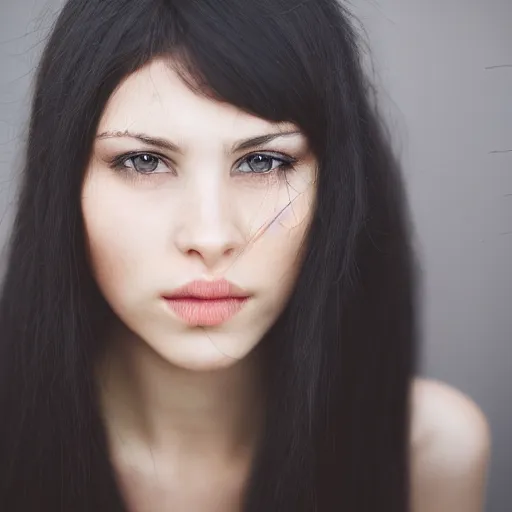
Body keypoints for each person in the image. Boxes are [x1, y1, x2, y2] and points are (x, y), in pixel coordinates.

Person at [0, 0, 490, 510]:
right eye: (144, 161)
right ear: (63, 181)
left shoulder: (427, 453)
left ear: (337, 186)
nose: (211, 236)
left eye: (262, 160)